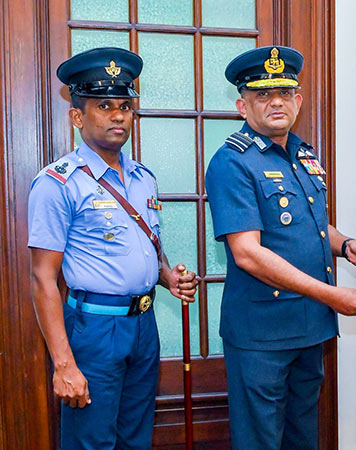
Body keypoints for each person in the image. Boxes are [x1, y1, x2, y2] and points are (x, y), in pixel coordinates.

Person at [205, 45, 356, 450]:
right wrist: (331, 295)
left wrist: (346, 244)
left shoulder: (303, 154)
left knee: (303, 437)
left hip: (308, 327)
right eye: (263, 95)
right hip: (262, 335)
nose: (276, 102)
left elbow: (311, 224)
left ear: (297, 101)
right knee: (261, 442)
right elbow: (247, 252)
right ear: (242, 106)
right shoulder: (233, 162)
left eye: (284, 93)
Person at [28, 47, 199, 450]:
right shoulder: (58, 183)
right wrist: (64, 364)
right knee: (91, 441)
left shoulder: (143, 178)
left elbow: (143, 245)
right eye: (104, 105)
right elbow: (42, 279)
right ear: (77, 116)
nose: (119, 115)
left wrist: (166, 277)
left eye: (125, 105)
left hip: (143, 326)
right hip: (94, 330)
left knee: (135, 439)